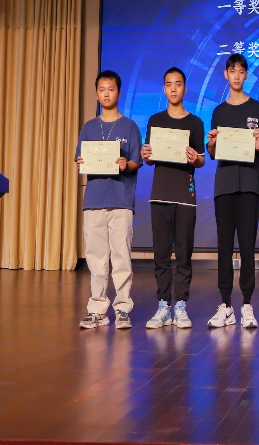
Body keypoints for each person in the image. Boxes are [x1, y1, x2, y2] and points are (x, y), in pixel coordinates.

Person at [206, 54, 259, 329]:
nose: (236, 76)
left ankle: (247, 304)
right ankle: (225, 305)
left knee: (247, 246)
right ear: (226, 74)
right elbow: (212, 152)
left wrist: (258, 144)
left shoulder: (257, 108)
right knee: (224, 246)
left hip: (249, 185)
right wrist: (211, 143)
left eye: (241, 71)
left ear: (246, 75)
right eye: (232, 71)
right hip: (225, 185)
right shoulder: (219, 112)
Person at [76, 70, 143, 329]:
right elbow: (81, 158)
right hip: (93, 200)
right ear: (96, 94)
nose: (106, 94)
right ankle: (97, 310)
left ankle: (123, 308)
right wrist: (82, 162)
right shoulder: (89, 127)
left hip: (121, 200)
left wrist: (126, 164)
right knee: (96, 257)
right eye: (102, 90)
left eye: (111, 89)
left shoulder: (129, 126)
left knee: (121, 256)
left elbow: (136, 161)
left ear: (118, 92)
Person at [141, 67, 206, 329]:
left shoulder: (195, 123)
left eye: (178, 84)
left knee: (184, 254)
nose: (173, 89)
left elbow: (201, 160)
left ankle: (180, 305)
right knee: (161, 254)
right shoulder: (155, 120)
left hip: (185, 196)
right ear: (164, 89)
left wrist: (195, 158)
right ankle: (163, 305)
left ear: (185, 88)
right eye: (169, 84)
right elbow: (149, 158)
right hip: (160, 194)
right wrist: (146, 155)